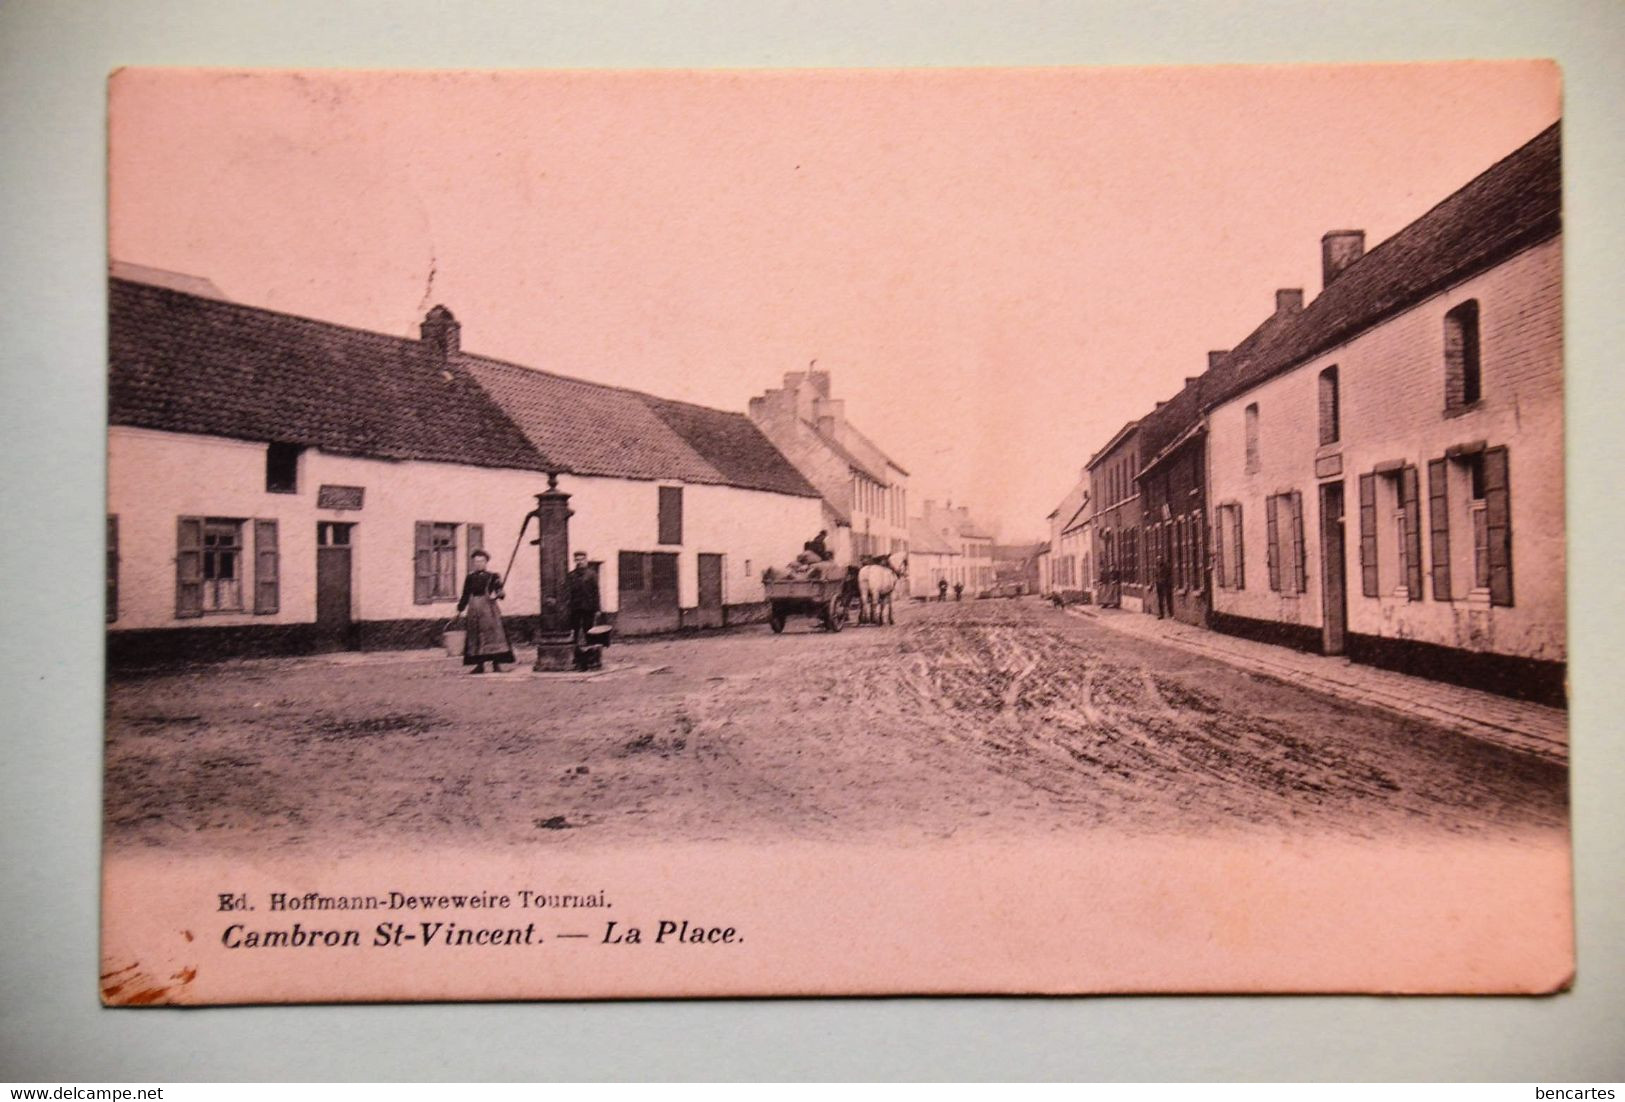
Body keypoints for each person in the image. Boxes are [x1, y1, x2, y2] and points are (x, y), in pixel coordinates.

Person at [457, 551, 514, 673]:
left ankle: (496, 664)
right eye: (476, 561)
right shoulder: (470, 577)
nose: (478, 564)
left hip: (489, 609)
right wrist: (460, 608)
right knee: (476, 636)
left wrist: (499, 593)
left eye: (481, 561)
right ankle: (479, 665)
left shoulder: (493, 576)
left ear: (486, 562)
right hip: (474, 609)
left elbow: (500, 592)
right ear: (473, 563)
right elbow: (465, 594)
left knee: (493, 636)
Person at [567, 551, 601, 645]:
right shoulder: (571, 575)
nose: (580, 562)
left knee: (589, 629)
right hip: (575, 607)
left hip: (588, 606)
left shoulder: (592, 574)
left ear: (586, 560)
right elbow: (568, 592)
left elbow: (596, 592)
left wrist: (597, 609)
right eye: (577, 559)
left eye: (582, 559)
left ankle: (590, 651)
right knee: (575, 628)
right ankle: (574, 651)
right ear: (574, 561)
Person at [1155, 553, 1174, 619]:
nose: (1159, 561)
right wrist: (1157, 581)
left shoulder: (1167, 566)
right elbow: (1156, 575)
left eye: (1160, 559)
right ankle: (1161, 614)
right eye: (1158, 559)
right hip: (1159, 585)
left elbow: (1168, 575)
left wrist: (1164, 581)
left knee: (1168, 599)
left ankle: (1171, 614)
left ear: (1162, 560)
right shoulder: (1157, 567)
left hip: (1165, 585)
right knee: (1160, 600)